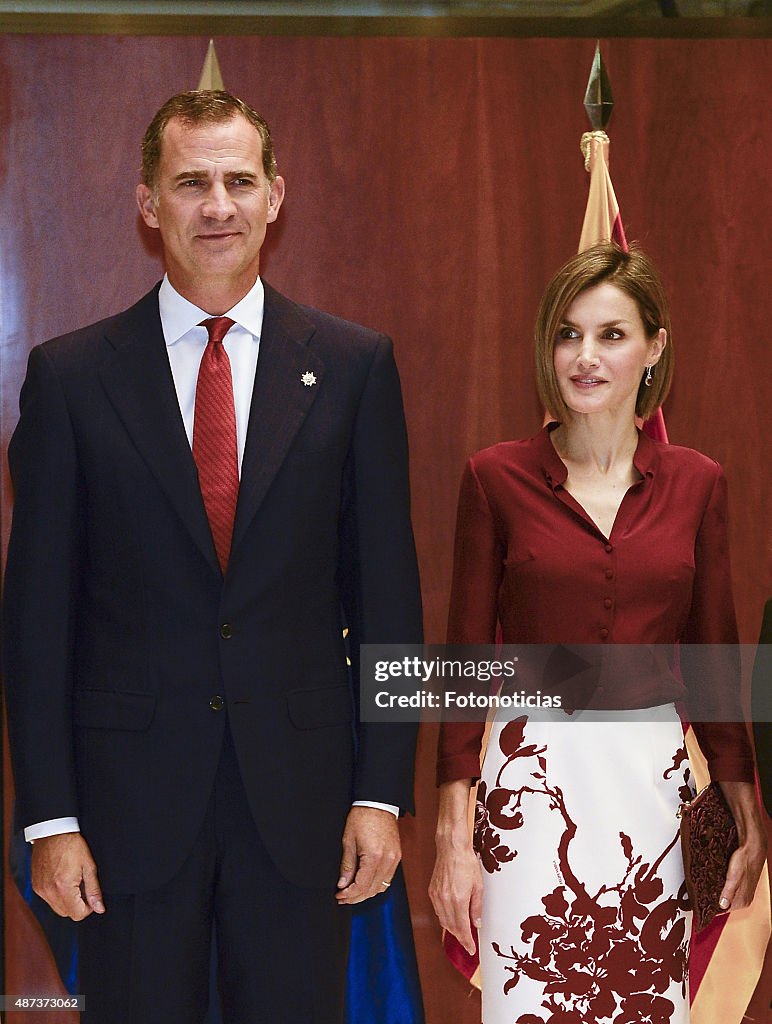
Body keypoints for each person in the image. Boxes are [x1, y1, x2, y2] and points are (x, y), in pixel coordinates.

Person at [2, 90, 422, 1023]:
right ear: (149, 203)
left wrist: (382, 796)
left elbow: (389, 601)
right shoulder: (71, 378)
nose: (217, 205)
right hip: (125, 816)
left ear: (278, 195)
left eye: (238, 180)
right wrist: (52, 819)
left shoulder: (355, 367)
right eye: (191, 182)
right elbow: (36, 623)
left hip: (304, 808)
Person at [430, 243, 766, 1023]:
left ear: (654, 346)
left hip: (654, 797)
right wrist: (452, 835)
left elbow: (717, 661)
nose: (585, 356)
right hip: (528, 796)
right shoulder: (493, 478)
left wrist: (747, 812)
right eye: (568, 334)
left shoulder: (700, 483)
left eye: (611, 335)